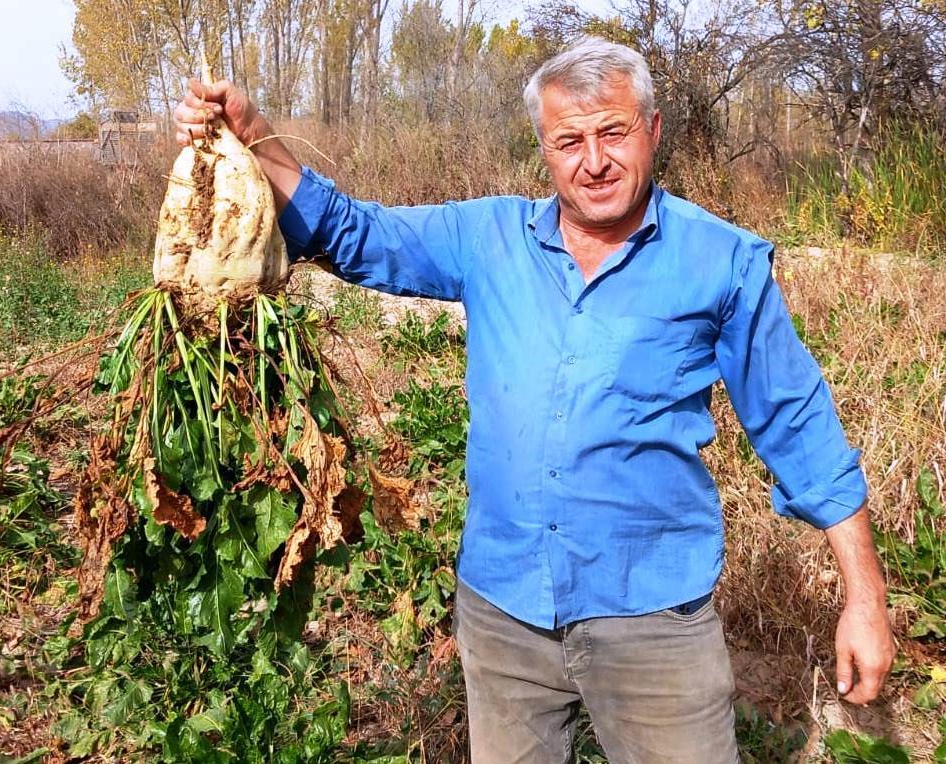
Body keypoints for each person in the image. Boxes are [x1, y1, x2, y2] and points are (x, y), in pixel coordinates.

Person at [174, 36, 895, 763]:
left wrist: (863, 597)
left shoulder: (722, 262)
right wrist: (254, 135)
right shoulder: (488, 238)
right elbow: (359, 235)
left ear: (652, 128)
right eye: (568, 140)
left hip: (651, 619)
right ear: (544, 149)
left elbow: (797, 423)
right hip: (504, 610)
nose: (594, 161)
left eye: (613, 132)